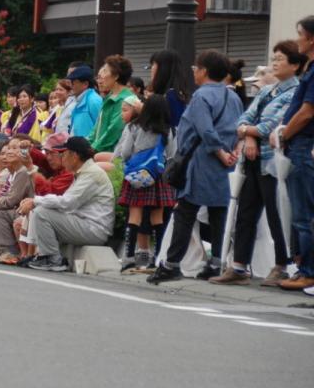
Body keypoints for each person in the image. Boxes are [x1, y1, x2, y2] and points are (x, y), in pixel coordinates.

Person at [213, 40, 304, 285]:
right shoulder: (266, 91)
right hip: (251, 160)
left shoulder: (295, 92)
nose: (274, 63)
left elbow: (273, 124)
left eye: (280, 60)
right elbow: (244, 117)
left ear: (295, 65)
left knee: (276, 213)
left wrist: (250, 133)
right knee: (246, 212)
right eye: (273, 58)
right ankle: (239, 265)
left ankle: (281, 265)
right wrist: (248, 132)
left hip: (274, 161)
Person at [148, 50, 243, 284]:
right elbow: (241, 126)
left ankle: (171, 265)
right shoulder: (234, 97)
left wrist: (219, 152)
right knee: (220, 213)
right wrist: (233, 152)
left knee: (185, 212)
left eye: (196, 68)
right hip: (228, 162)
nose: (194, 72)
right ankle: (216, 263)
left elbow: (205, 129)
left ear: (204, 71)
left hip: (202, 159)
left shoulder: (201, 96)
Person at [19, 136, 115, 272]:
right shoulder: (83, 172)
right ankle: (43, 255)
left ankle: (53, 259)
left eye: (64, 154)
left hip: (94, 229)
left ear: (74, 156)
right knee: (42, 209)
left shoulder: (92, 173)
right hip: (85, 224)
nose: (62, 158)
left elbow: (67, 202)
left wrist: (35, 201)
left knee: (42, 213)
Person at [110, 94, 176, 272]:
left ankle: (128, 258)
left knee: (134, 217)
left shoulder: (134, 127)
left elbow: (125, 152)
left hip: (136, 176)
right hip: (158, 178)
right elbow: (171, 155)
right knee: (158, 218)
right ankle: (158, 258)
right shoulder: (168, 130)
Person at [272, 16, 314, 292]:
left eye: (300, 33)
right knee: (300, 213)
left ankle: (307, 271)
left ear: (311, 38)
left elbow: (308, 110)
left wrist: (285, 133)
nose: (297, 38)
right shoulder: (310, 69)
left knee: (303, 214)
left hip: (302, 147)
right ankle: (303, 268)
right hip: (297, 147)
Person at [90, 55, 137, 152]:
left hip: (112, 157)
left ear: (116, 76)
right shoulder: (109, 96)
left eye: (105, 71)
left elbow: (113, 131)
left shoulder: (127, 99)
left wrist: (93, 149)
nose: (101, 76)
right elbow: (97, 128)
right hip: (99, 152)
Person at [148, 48, 192, 128]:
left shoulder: (172, 96)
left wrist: (143, 110)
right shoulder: (171, 94)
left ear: (164, 68)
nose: (151, 68)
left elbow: (173, 127)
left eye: (154, 64)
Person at [66, 65, 101, 138]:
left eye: (74, 82)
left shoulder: (94, 100)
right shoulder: (80, 99)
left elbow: (100, 129)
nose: (71, 86)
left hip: (88, 148)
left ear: (85, 84)